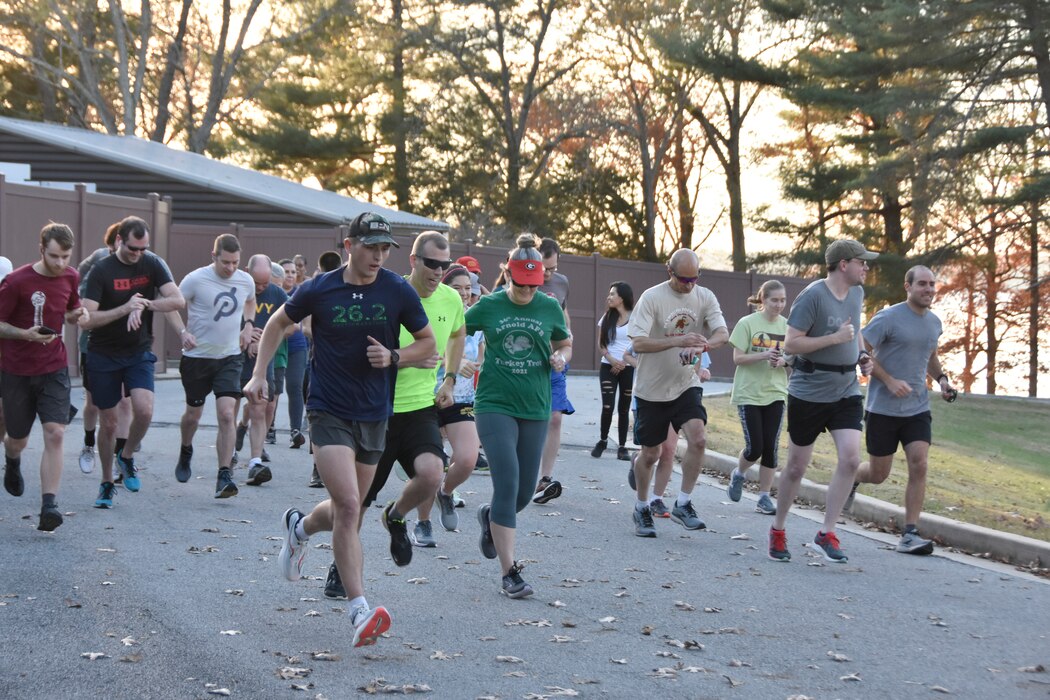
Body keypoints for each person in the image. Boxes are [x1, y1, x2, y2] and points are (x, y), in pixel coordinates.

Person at [245, 212, 435, 648]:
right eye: (371, 247)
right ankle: (359, 611)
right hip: (328, 409)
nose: (379, 256)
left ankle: (299, 528)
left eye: (385, 248)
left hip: (374, 413)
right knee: (351, 506)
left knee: (346, 507)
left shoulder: (396, 289)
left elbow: (427, 343)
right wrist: (259, 375)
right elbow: (277, 323)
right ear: (350, 246)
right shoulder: (321, 288)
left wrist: (394, 357)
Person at [467, 234, 572, 598]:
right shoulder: (489, 305)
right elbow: (454, 331)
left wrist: (562, 357)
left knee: (525, 492)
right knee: (507, 482)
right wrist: (456, 363)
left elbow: (564, 341)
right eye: (520, 285)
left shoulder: (548, 307)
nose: (527, 293)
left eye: (534, 286)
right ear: (508, 276)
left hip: (536, 406)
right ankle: (509, 572)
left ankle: (490, 517)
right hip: (495, 403)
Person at [768, 239, 877, 563]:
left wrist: (861, 354)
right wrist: (834, 338)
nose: (867, 267)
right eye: (862, 262)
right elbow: (791, 343)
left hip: (846, 388)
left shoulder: (857, 293)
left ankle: (826, 532)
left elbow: (853, 330)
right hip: (809, 391)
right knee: (796, 467)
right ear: (844, 264)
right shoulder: (813, 296)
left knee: (850, 459)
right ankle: (778, 529)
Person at [358, 231, 464, 560]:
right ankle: (335, 561)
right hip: (377, 408)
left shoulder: (451, 299)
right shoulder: (387, 295)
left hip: (419, 407)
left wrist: (449, 379)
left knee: (433, 473)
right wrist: (412, 356)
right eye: (431, 263)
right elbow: (367, 355)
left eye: (444, 266)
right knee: (358, 500)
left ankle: (395, 515)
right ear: (413, 260)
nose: (437, 271)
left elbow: (458, 335)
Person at [847, 265, 956, 555]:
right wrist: (889, 380)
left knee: (919, 463)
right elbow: (863, 349)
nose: (929, 289)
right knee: (879, 473)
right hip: (882, 407)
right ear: (907, 287)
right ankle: (853, 477)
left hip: (917, 407)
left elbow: (930, 356)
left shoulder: (934, 322)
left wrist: (942, 380)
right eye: (922, 284)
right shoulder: (888, 317)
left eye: (932, 284)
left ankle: (909, 533)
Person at [80, 216, 185, 508]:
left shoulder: (152, 263)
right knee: (110, 423)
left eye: (143, 248)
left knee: (145, 409)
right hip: (103, 353)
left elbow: (177, 301)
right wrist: (125, 308)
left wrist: (146, 304)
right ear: (118, 241)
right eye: (132, 249)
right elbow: (87, 320)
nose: (138, 254)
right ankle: (105, 482)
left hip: (137, 351)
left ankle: (125, 457)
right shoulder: (101, 270)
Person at [628, 249, 728, 538]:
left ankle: (683, 503)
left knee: (699, 438)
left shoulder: (704, 296)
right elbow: (639, 344)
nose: (689, 285)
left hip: (686, 384)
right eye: (684, 279)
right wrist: (678, 341)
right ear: (669, 271)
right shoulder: (651, 298)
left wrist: (702, 346)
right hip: (652, 389)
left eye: (695, 278)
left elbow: (723, 333)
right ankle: (642, 506)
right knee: (651, 454)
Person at [0, 223, 87, 531]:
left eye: (65, 256)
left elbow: (72, 308)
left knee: (56, 433)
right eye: (54, 256)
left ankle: (49, 505)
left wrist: (80, 315)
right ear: (41, 250)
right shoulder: (16, 281)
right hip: (17, 371)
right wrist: (25, 334)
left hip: (54, 368)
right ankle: (12, 460)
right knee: (18, 440)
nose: (60, 263)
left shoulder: (71, 276)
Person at [166, 234, 256, 496]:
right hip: (197, 359)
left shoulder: (245, 280)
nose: (230, 268)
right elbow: (173, 306)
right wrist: (183, 332)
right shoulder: (196, 279)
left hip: (229, 357)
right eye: (225, 262)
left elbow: (250, 300)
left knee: (228, 414)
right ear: (213, 256)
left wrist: (248, 325)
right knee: (193, 416)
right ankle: (186, 448)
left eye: (235, 263)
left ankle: (224, 475)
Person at [414, 264, 482, 544]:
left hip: (462, 397)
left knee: (467, 459)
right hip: (428, 397)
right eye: (458, 288)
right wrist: (456, 364)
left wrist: (476, 366)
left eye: (468, 288)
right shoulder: (431, 314)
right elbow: (436, 349)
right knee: (431, 465)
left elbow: (480, 358)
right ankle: (423, 523)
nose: (464, 293)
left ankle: (446, 491)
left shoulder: (475, 323)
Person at [725, 280, 790, 516]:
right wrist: (764, 355)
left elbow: (793, 357)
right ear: (763, 300)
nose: (779, 304)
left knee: (771, 448)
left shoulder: (788, 326)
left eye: (783, 300)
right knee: (755, 447)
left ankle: (764, 496)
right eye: (774, 300)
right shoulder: (747, 323)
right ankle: (739, 474)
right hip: (749, 392)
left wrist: (784, 361)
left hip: (776, 391)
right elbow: (738, 359)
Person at [75, 224, 131, 475]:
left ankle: (122, 457)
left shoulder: (137, 266)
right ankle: (89, 444)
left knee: (124, 401)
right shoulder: (97, 260)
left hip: (125, 345)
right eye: (112, 248)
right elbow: (75, 282)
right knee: (94, 403)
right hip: (93, 342)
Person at [233, 255, 287, 487]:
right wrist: (243, 334)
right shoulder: (234, 288)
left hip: (262, 362)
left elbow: (294, 325)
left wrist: (265, 337)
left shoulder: (277, 294)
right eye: (258, 284)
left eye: (266, 284)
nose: (262, 288)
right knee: (228, 409)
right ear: (247, 272)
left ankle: (255, 462)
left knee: (260, 407)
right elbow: (219, 322)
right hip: (233, 358)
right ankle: (228, 457)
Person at [533, 238, 574, 504]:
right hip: (526, 363)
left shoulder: (562, 282)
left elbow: (564, 314)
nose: (548, 274)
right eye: (544, 268)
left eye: (553, 267)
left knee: (555, 418)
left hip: (554, 361)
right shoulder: (518, 278)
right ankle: (522, 474)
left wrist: (566, 347)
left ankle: (545, 479)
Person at [592, 282, 634, 461]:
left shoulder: (636, 318)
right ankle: (602, 441)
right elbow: (601, 344)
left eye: (612, 294)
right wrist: (611, 360)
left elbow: (638, 343)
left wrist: (624, 362)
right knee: (608, 405)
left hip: (628, 367)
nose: (608, 297)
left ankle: (622, 447)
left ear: (622, 297)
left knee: (624, 408)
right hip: (608, 366)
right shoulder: (606, 317)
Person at [277, 259, 308, 448]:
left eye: (293, 272)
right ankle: (269, 428)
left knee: (295, 387)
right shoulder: (273, 293)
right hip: (277, 346)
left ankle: (295, 431)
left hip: (297, 347)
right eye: (286, 272)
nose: (290, 275)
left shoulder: (301, 293)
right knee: (273, 391)